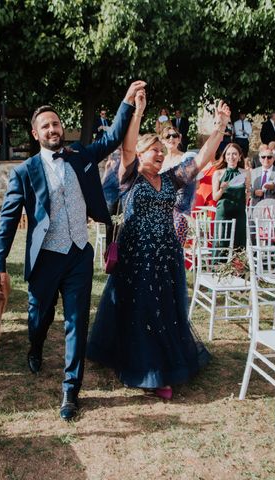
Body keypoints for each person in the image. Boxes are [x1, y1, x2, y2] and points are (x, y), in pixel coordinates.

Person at [0, 80, 146, 421]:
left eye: (56, 123)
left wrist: (126, 102)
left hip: (79, 253)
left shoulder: (81, 157)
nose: (52, 129)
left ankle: (70, 390)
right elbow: (7, 220)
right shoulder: (24, 172)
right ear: (35, 134)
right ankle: (35, 346)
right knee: (39, 317)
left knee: (77, 322)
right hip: (45, 257)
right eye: (45, 126)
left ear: (62, 128)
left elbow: (114, 137)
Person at [87, 95, 230, 399]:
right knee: (140, 309)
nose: (161, 157)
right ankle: (148, 370)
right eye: (155, 152)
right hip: (136, 255)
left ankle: (166, 361)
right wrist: (137, 112)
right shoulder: (128, 178)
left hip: (167, 253)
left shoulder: (169, 180)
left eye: (163, 153)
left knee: (164, 308)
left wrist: (220, 127)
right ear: (139, 154)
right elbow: (126, 147)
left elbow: (201, 159)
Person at [160, 126, 195, 245]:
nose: (171, 138)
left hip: (180, 210)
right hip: (161, 210)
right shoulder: (160, 160)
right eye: (167, 136)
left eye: (174, 135)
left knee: (176, 246)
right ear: (163, 140)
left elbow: (196, 185)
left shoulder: (185, 159)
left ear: (179, 139)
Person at [212, 143, 249, 248]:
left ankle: (239, 265)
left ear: (239, 156)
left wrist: (248, 192)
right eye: (228, 154)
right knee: (222, 243)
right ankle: (219, 264)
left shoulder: (245, 173)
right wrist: (222, 189)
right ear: (224, 157)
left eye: (234, 154)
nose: (231, 157)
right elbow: (215, 197)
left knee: (239, 243)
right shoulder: (218, 173)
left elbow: (247, 192)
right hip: (224, 213)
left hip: (239, 213)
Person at [101, 149, 122, 249]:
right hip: (110, 201)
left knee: (119, 229)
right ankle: (109, 252)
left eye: (119, 155)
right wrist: (107, 168)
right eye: (114, 155)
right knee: (110, 228)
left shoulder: (123, 168)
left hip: (120, 202)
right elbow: (103, 185)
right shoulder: (109, 170)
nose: (116, 157)